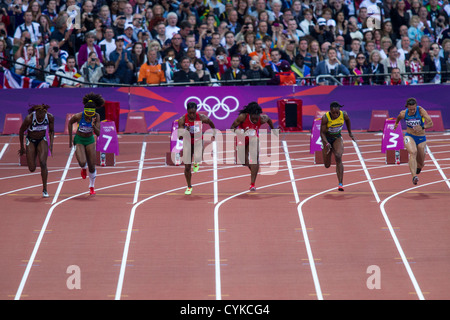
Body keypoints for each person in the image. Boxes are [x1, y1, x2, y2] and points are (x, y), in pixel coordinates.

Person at [230, 102, 276, 191]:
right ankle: (253, 168)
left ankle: (252, 184)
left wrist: (273, 130)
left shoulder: (262, 118)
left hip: (253, 138)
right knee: (243, 161)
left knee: (254, 158)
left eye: (257, 117)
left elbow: (269, 120)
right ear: (249, 114)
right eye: (253, 117)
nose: (255, 119)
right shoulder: (242, 117)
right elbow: (232, 127)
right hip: (242, 138)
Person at [68, 92, 105, 195]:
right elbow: (70, 123)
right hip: (79, 139)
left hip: (90, 140)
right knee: (82, 162)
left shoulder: (96, 116)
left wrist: (93, 125)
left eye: (91, 114)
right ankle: (83, 168)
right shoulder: (79, 116)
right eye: (87, 114)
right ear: (85, 111)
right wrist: (70, 138)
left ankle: (91, 186)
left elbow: (98, 133)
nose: (89, 116)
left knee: (92, 166)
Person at [177, 102, 216, 195]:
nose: (192, 115)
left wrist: (214, 132)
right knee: (187, 168)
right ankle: (189, 186)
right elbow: (179, 137)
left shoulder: (201, 117)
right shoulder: (182, 120)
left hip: (198, 140)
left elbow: (210, 122)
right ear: (187, 111)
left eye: (193, 113)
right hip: (187, 142)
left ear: (196, 111)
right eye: (190, 113)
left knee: (199, 155)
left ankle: (196, 162)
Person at [394, 98, 433, 185]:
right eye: (410, 109)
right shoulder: (403, 113)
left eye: (414, 109)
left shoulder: (421, 111)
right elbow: (399, 118)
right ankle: (414, 176)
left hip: (421, 137)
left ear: (416, 106)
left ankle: (419, 167)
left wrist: (422, 127)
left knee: (421, 162)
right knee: (413, 152)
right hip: (410, 136)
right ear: (407, 107)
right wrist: (396, 124)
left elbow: (431, 123)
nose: (412, 111)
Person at [18, 104, 55, 198]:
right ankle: (33, 155)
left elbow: (51, 131)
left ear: (45, 113)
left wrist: (51, 144)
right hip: (31, 140)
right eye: (38, 116)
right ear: (36, 113)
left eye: (42, 116)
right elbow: (21, 131)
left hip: (42, 139)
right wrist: (22, 147)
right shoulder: (29, 118)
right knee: (32, 168)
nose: (40, 117)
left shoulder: (50, 117)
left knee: (43, 163)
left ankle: (45, 189)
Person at [320, 101, 355, 191]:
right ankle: (329, 149)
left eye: (337, 112)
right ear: (330, 111)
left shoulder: (344, 115)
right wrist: (326, 143)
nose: (335, 115)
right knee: (327, 165)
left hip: (337, 137)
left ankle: (340, 183)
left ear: (339, 110)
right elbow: (322, 133)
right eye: (333, 113)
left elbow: (348, 121)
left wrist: (350, 133)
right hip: (327, 139)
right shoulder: (325, 118)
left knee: (338, 156)